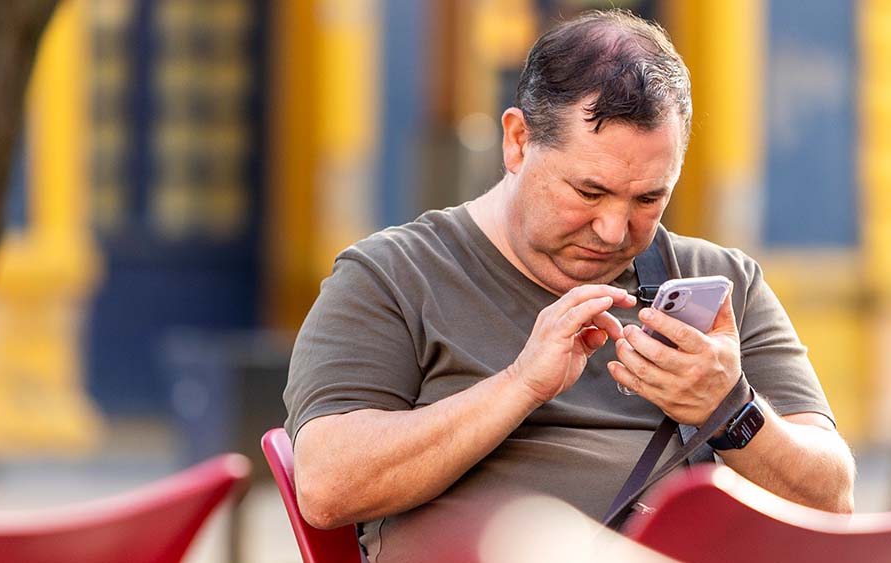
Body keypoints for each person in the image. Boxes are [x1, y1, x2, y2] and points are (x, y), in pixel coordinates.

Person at [284, 9, 855, 562]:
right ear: (517, 141)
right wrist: (520, 385)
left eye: (649, 199)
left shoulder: (723, 284)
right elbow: (328, 485)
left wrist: (731, 410)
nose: (613, 230)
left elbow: (832, 502)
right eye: (588, 192)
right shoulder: (392, 275)